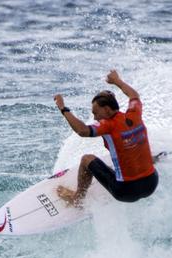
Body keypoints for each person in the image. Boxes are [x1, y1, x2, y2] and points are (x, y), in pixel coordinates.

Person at [53, 69, 158, 206]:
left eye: (96, 113)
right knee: (133, 143)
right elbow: (134, 95)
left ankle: (77, 199)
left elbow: (82, 130)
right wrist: (117, 81)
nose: (95, 118)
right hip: (151, 183)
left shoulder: (108, 126)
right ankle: (151, 160)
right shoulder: (134, 113)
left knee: (86, 159)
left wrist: (63, 108)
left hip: (126, 191)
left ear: (108, 109)